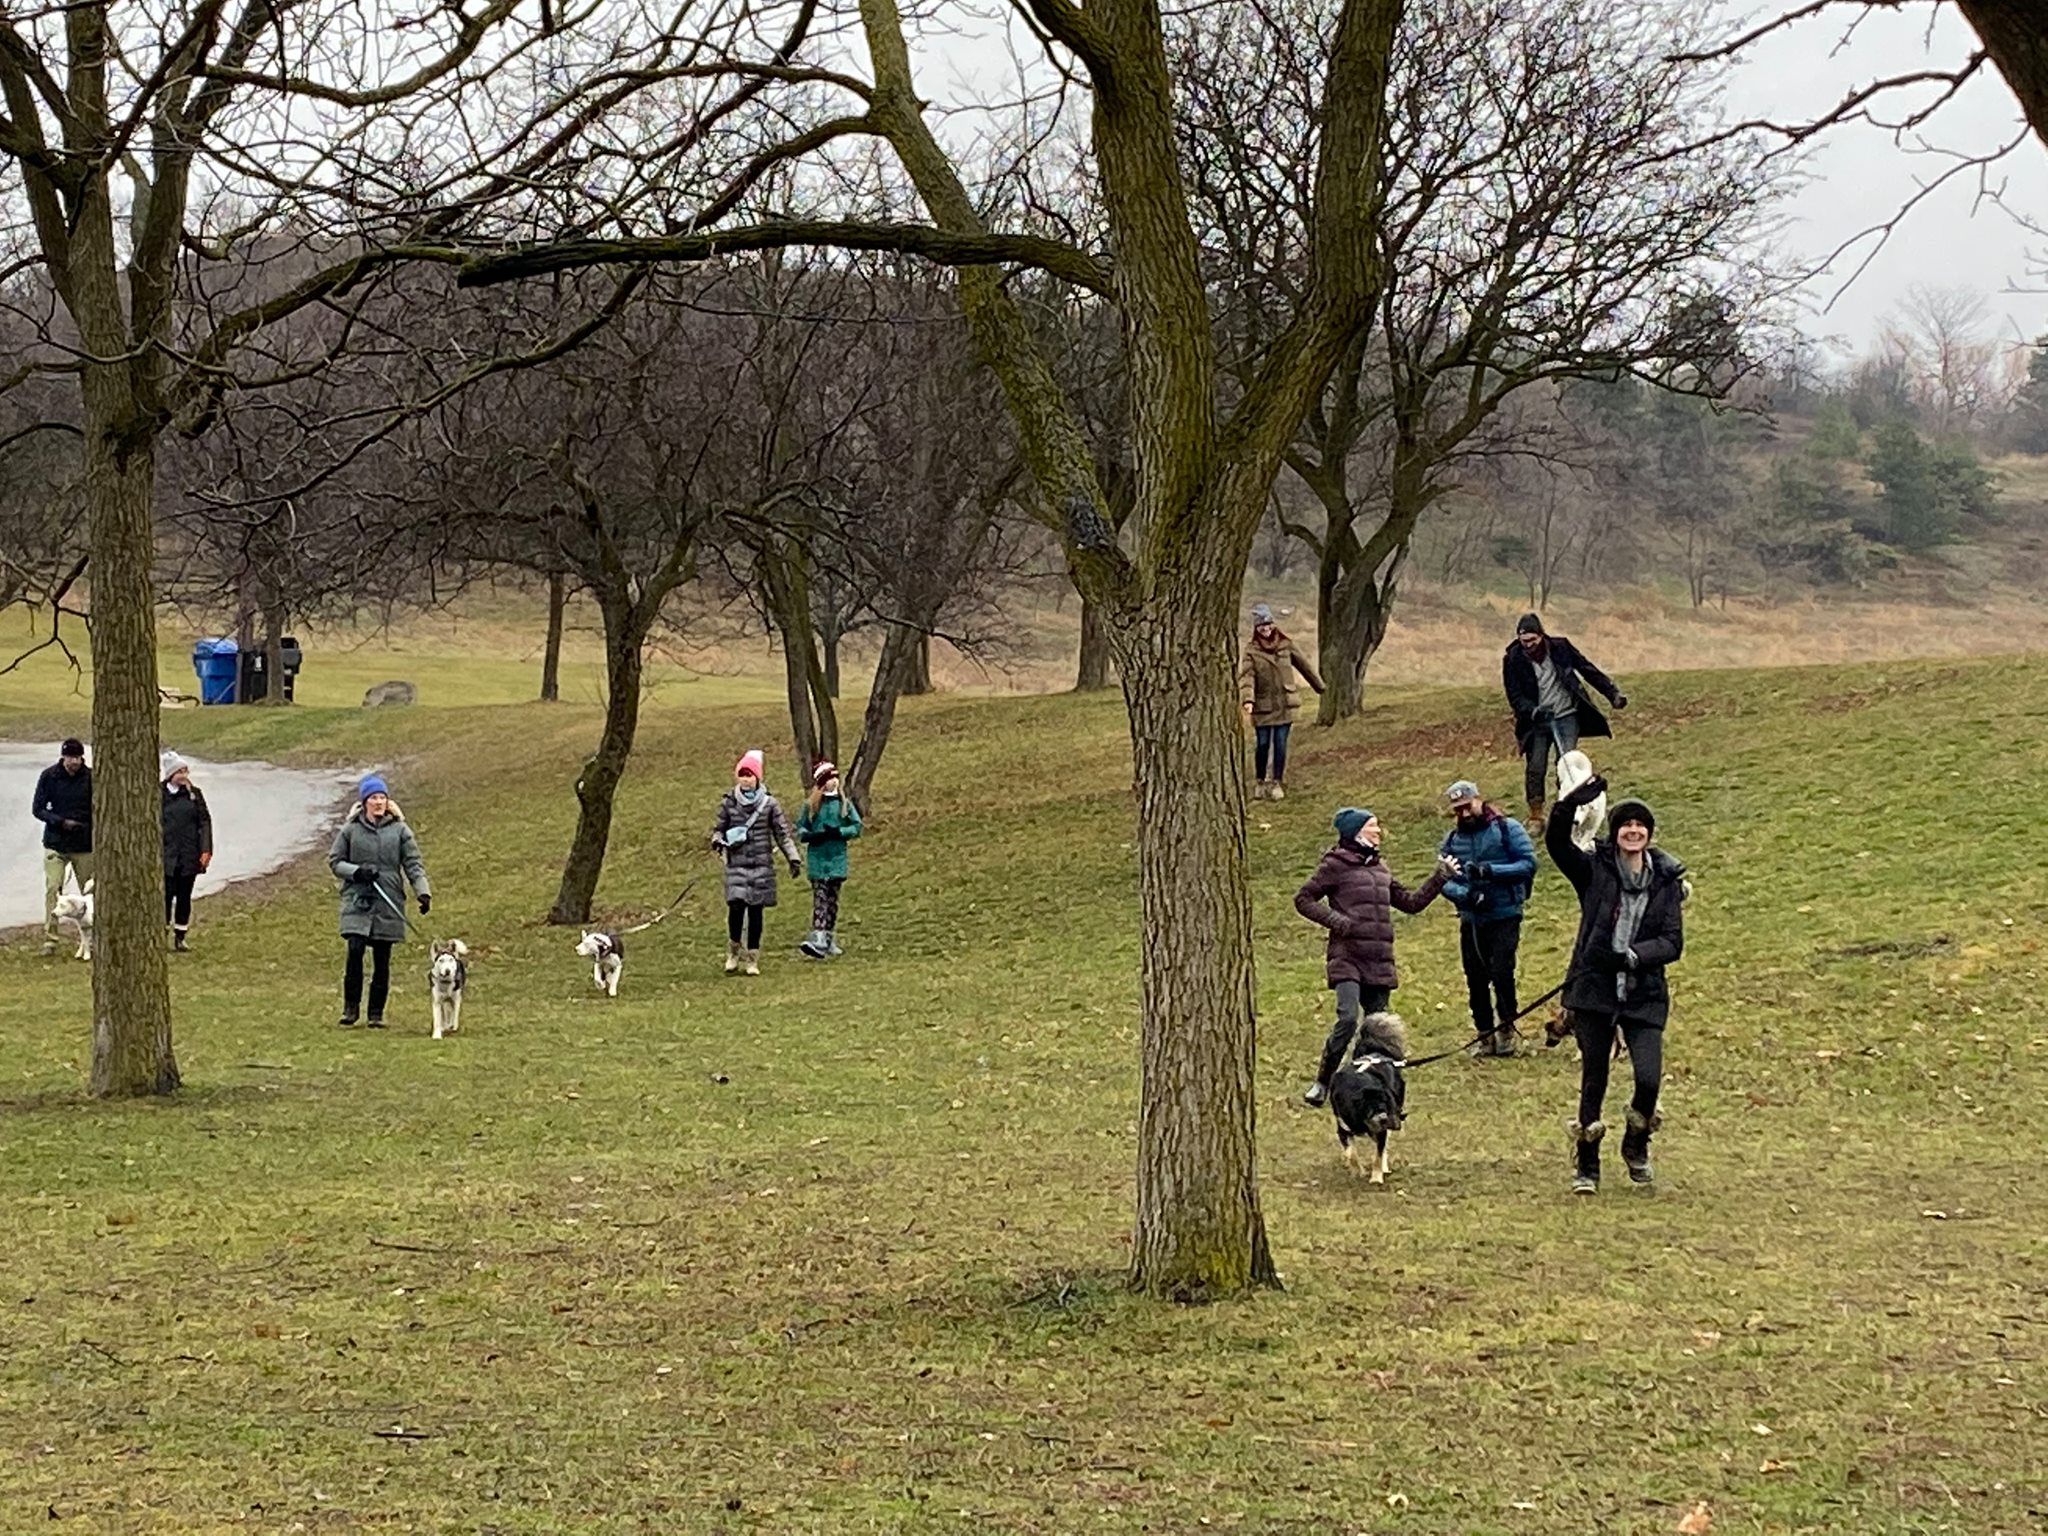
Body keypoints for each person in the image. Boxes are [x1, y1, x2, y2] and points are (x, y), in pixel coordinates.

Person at [1547, 776, 1686, 1194]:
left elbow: (1672, 942)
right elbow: (1557, 844)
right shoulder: (1594, 871)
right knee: (1595, 1076)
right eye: (1626, 824)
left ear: (1649, 834)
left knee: (1648, 1077)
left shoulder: (1666, 880)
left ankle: (1636, 1144)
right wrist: (1571, 803)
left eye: (1641, 825)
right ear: (1616, 831)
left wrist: (1633, 956)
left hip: (1643, 991)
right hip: (1595, 988)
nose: (1633, 830)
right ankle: (1586, 1165)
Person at [1294, 806, 1451, 1107]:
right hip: (1347, 956)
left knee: (1378, 1029)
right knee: (1348, 1018)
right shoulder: (1334, 865)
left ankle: (1374, 1085)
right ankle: (1322, 1081)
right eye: (1373, 827)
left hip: (1379, 957)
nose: (1379, 832)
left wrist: (1439, 877)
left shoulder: (1381, 869)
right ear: (1355, 832)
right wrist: (1337, 921)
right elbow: (1303, 899)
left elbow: (1411, 903)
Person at [1437, 778, 1538, 1057]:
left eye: (1468, 806)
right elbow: (1442, 879)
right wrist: (1464, 895)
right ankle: (1484, 1034)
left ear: (1479, 800)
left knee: (1502, 972)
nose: (1464, 814)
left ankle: (1507, 1029)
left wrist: (1490, 871)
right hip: (1471, 919)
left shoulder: (1508, 829)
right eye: (1458, 810)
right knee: (1475, 977)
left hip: (1505, 913)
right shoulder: (1451, 840)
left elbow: (1528, 864)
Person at [1502, 613, 1626, 831]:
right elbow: (1515, 696)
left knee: (1566, 765)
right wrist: (1532, 711)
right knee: (1535, 767)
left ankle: (1566, 812)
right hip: (1536, 722)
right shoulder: (1513, 659)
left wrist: (1612, 693)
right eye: (1524, 642)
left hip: (1567, 715)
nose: (1528, 646)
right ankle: (1536, 816)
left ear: (1541, 635)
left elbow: (1587, 670)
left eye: (1532, 640)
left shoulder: (1561, 648)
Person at [327, 773, 430, 1028]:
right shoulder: (350, 830)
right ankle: (350, 1010)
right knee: (355, 951)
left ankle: (376, 1014)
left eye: (382, 797)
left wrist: (423, 892)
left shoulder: (400, 830)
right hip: (358, 899)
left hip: (389, 899)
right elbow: (335, 862)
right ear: (364, 802)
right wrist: (357, 871)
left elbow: (413, 864)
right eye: (374, 798)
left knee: (382, 958)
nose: (378, 802)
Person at [710, 749, 800, 977]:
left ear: (758, 777)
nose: (746, 780)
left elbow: (782, 833)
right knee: (736, 908)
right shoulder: (729, 802)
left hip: (762, 865)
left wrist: (793, 857)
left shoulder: (770, 805)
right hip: (736, 863)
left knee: (756, 913)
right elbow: (718, 829)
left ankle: (752, 957)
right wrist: (718, 841)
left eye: (749, 775)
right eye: (742, 775)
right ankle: (733, 951)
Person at [1239, 602, 1323, 801]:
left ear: (1273, 624)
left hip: (1286, 704)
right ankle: (1260, 781)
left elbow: (1304, 665)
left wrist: (1319, 686)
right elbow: (1247, 677)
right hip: (1262, 706)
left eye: (1268, 624)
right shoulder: (1251, 651)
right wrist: (1248, 700)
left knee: (1280, 744)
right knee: (1262, 744)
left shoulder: (1286, 645)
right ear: (1256, 629)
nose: (1266, 629)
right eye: (1261, 626)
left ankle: (1276, 782)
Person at [795, 760, 862, 959]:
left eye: (835, 778)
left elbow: (856, 826)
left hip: (836, 860)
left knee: (832, 901)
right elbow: (801, 827)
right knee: (820, 899)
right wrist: (810, 836)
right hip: (818, 860)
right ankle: (818, 936)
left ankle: (829, 937)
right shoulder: (811, 806)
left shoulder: (843, 805)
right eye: (828, 779)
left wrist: (840, 832)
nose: (832, 782)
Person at [32, 737, 93, 957]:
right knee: (53, 888)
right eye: (70, 758)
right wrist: (60, 821)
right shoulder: (49, 777)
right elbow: (38, 809)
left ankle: (92, 937)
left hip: (83, 844)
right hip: (55, 842)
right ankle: (51, 938)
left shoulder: (90, 778)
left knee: (90, 890)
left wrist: (85, 826)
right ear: (63, 757)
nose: (74, 762)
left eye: (77, 758)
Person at [159, 751, 214, 953]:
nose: (183, 776)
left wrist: (206, 849)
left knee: (184, 897)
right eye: (179, 772)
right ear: (170, 774)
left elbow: (204, 821)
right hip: (166, 854)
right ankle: (160, 934)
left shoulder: (194, 794)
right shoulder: (159, 794)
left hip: (189, 854)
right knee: (165, 896)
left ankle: (180, 936)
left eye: (185, 771)